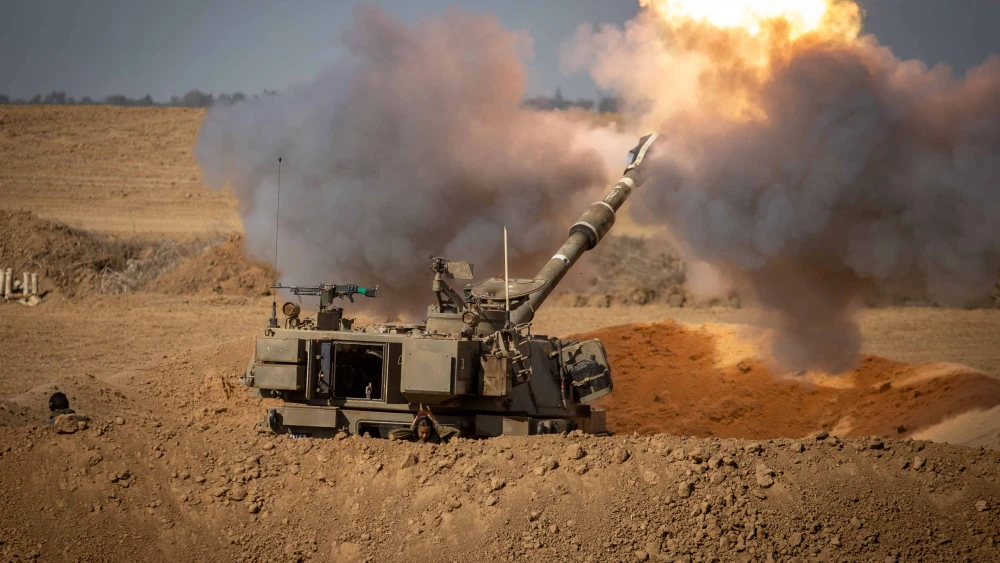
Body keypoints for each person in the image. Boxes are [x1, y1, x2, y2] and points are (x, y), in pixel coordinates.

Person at [388, 411, 459, 444]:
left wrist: (437, 426)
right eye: (422, 432)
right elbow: (392, 435)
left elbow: (456, 433)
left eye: (427, 432)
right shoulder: (411, 436)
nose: (424, 435)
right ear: (417, 429)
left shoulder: (436, 436)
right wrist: (412, 429)